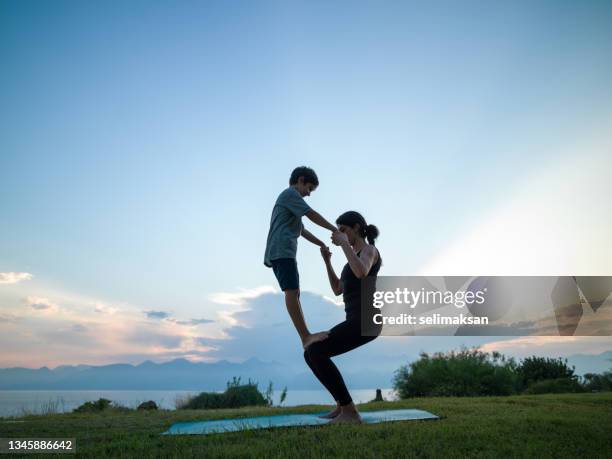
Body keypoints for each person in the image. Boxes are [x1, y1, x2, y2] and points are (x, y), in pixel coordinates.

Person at [304, 210, 382, 424]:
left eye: (343, 230)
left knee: (317, 350)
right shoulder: (351, 259)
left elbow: (362, 272)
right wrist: (327, 262)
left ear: (356, 228)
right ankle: (342, 406)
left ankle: (350, 412)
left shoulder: (369, 250)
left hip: (367, 320)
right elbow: (338, 289)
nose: (340, 234)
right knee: (311, 352)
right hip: (355, 320)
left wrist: (344, 245)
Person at [264, 166, 339, 349]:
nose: (309, 194)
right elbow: (311, 214)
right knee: (292, 291)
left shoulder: (291, 201)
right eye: (309, 188)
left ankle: (306, 336)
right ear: (301, 180)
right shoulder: (290, 195)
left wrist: (321, 243)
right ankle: (305, 337)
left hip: (282, 251)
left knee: (294, 292)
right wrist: (334, 229)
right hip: (281, 250)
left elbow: (302, 230)